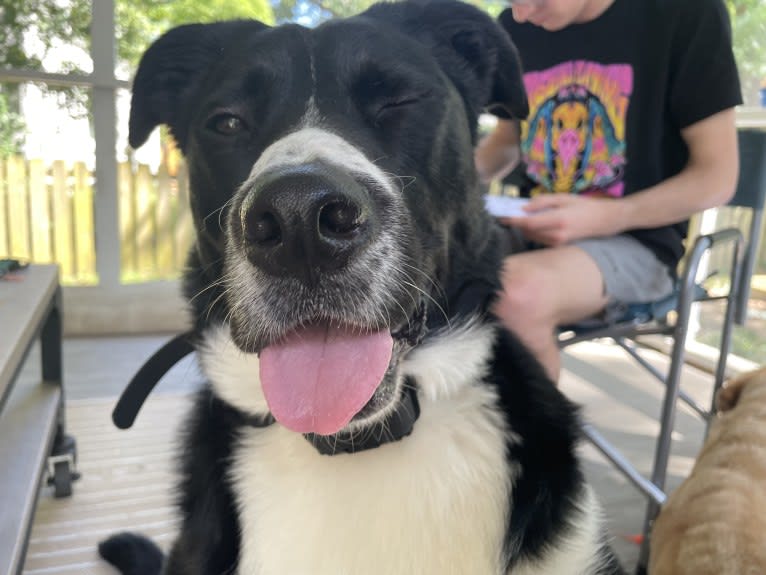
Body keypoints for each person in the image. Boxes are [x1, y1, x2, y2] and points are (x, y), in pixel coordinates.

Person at [475, 0, 742, 381]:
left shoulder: (685, 13)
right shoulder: (517, 28)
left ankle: (538, 439)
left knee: (517, 293)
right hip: (532, 226)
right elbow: (507, 140)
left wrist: (606, 216)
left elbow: (717, 177)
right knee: (423, 259)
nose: (519, 14)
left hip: (638, 242)